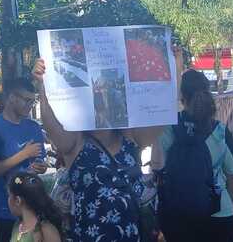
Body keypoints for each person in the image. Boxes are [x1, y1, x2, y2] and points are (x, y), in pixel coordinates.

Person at [33, 59, 157, 242]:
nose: (103, 103)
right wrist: (42, 86)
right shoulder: (76, 142)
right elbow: (52, 127)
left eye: (107, 95)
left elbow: (161, 110)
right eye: (97, 97)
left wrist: (173, 67)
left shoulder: (131, 139)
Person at [152, 70, 233, 242]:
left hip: (177, 214)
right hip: (219, 214)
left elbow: (157, 170)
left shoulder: (167, 128)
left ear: (181, 96)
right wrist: (224, 202)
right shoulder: (219, 130)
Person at [0, 77, 48, 242]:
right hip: (6, 210)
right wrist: (24, 154)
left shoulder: (34, 127)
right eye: (27, 100)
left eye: (33, 101)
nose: (30, 105)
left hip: (33, 208)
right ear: (12, 98)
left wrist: (41, 166)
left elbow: (41, 163)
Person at [7, 172, 63, 242]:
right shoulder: (18, 225)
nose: (8, 200)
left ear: (18, 200)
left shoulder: (46, 230)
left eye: (9, 195)